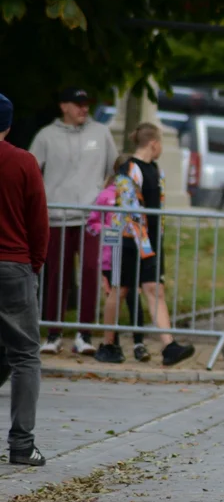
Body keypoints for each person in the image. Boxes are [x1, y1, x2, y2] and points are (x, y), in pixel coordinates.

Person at [95, 124, 194, 366]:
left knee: (154, 290)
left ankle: (169, 346)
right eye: (160, 143)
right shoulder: (130, 169)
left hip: (148, 243)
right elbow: (129, 210)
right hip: (130, 243)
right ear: (153, 143)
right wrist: (145, 245)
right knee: (121, 291)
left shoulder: (154, 169)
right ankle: (108, 344)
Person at [30, 86, 117, 356]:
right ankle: (53, 334)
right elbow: (32, 170)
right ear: (63, 106)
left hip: (90, 220)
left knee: (91, 271)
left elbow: (115, 168)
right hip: (57, 217)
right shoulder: (46, 135)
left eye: (86, 103)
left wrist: (103, 198)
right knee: (57, 274)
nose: (84, 108)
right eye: (77, 103)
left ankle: (84, 334)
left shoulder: (101, 133)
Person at [0, 93, 49, 466]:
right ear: (9, 124)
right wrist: (33, 264)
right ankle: (21, 444)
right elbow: (38, 219)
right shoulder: (22, 161)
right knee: (25, 356)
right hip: (13, 265)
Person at [87, 155, 148, 362]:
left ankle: (139, 342)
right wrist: (110, 230)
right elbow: (92, 222)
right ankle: (113, 344)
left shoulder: (139, 196)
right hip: (109, 257)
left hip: (131, 253)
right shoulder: (107, 195)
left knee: (133, 297)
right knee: (115, 296)